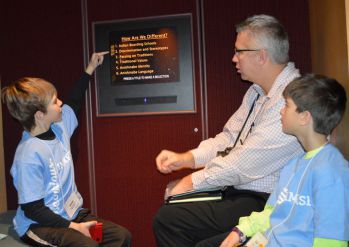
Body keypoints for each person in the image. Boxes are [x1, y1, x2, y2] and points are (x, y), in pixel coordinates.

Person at [153, 14, 304, 247]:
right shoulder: (256, 92)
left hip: (268, 201)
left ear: (261, 56)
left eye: (239, 51)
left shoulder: (291, 99)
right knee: (171, 215)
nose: (234, 58)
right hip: (240, 190)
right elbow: (229, 138)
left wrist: (190, 182)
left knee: (170, 220)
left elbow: (243, 164)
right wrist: (186, 159)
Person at [1, 52, 132, 247]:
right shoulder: (28, 154)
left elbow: (74, 102)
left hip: (70, 214)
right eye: (54, 101)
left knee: (121, 236)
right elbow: (33, 209)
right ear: (39, 115)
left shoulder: (59, 127)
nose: (60, 103)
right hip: (39, 225)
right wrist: (73, 227)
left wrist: (89, 70)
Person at [220, 74, 349, 247]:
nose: (281, 110)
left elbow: (331, 240)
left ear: (304, 117)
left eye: (287, 105)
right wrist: (242, 231)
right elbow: (274, 213)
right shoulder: (294, 164)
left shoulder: (332, 171)